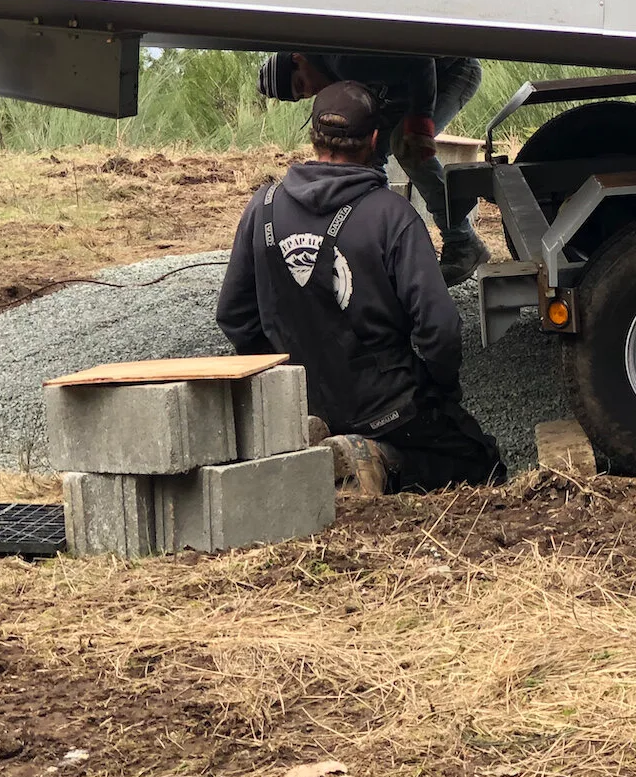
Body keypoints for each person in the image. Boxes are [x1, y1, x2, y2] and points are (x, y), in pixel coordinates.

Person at [217, 81, 506, 495]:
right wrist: (442, 390)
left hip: (303, 405)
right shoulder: (393, 216)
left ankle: (320, 448)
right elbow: (440, 328)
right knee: (481, 463)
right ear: (374, 140)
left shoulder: (261, 208)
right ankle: (381, 463)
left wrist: (284, 384)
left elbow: (234, 316)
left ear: (312, 135)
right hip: (389, 410)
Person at [260, 50, 489, 285]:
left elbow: (421, 64)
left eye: (301, 83)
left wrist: (419, 123)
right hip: (411, 85)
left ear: (299, 59)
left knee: (406, 146)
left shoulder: (343, 61)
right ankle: (379, 245)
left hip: (451, 72)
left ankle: (462, 241)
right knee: (365, 155)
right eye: (303, 95)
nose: (311, 91)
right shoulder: (333, 71)